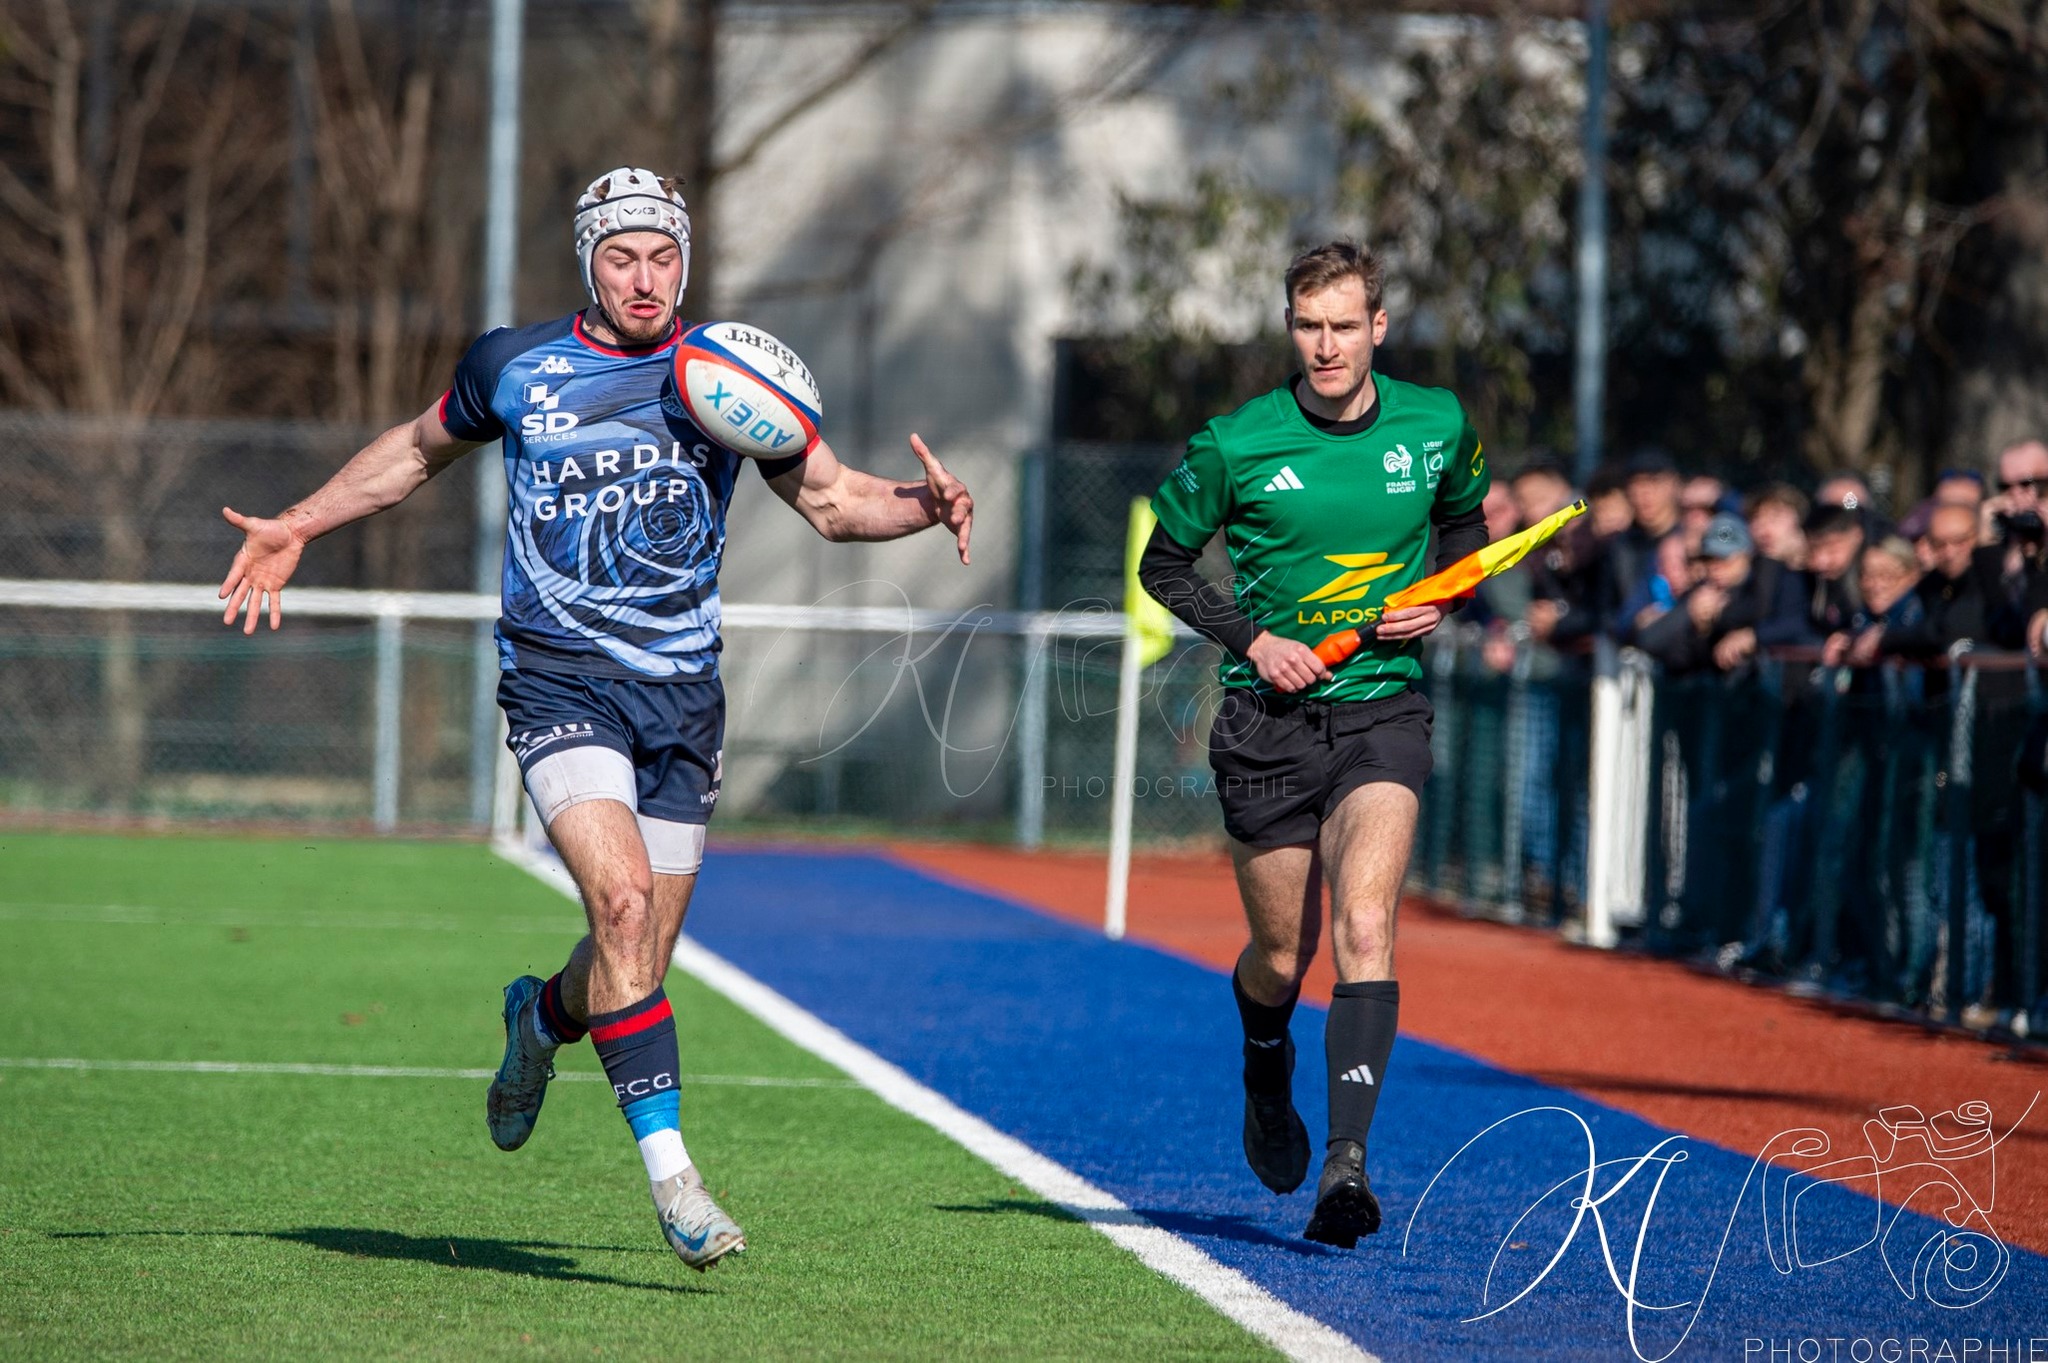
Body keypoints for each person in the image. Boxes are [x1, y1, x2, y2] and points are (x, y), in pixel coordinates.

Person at [214, 168, 975, 1272]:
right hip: (558, 680)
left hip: (683, 698)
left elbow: (830, 497)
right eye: (622, 257)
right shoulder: (514, 365)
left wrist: (923, 506)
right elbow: (413, 452)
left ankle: (539, 1020)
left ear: (685, 262)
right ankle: (677, 1182)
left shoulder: (724, 375)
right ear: (589, 263)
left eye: (663, 256)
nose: (644, 278)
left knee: (636, 956)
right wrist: (297, 523)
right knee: (619, 903)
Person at [1136, 240, 1489, 1249]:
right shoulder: (1235, 442)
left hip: (1382, 711)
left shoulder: (1437, 423)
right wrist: (1253, 639)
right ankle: (1263, 1062)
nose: (1325, 345)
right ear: (1289, 329)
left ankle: (1347, 1165)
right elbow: (1164, 566)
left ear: (1379, 326)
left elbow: (1465, 536)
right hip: (1265, 724)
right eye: (1307, 326)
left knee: (1366, 924)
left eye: (1343, 326)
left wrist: (1443, 599)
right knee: (1281, 957)